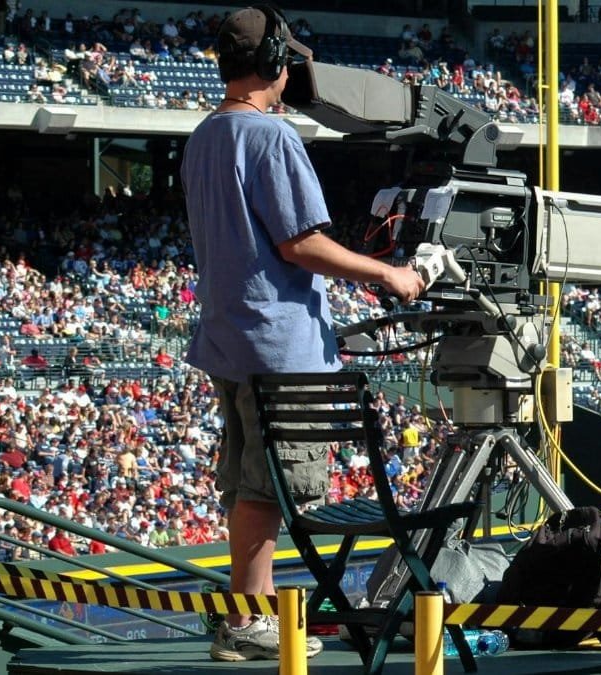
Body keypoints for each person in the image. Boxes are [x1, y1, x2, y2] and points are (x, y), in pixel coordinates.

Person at [180, 6, 425, 664]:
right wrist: (388, 273)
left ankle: (244, 617)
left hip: (228, 342)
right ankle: (248, 618)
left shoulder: (204, 135)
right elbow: (301, 243)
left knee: (246, 487)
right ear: (273, 66)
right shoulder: (271, 138)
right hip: (279, 346)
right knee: (270, 489)